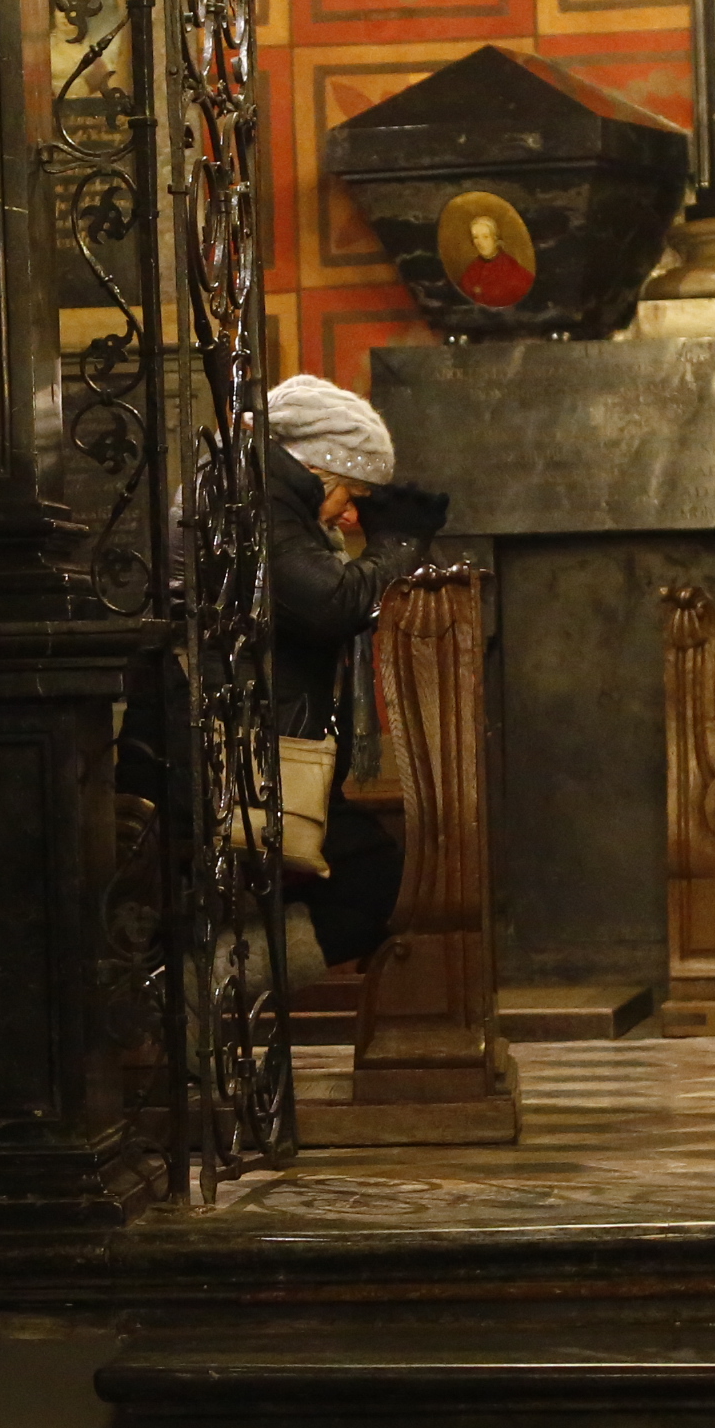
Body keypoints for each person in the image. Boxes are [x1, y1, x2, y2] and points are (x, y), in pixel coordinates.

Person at [264, 373, 450, 977]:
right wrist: (398, 544)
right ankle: (208, 984)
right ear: (317, 468)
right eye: (351, 493)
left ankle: (221, 980)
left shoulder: (275, 501)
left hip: (275, 752)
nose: (350, 514)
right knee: (377, 884)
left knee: (376, 880)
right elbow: (333, 603)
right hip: (240, 759)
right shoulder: (259, 501)